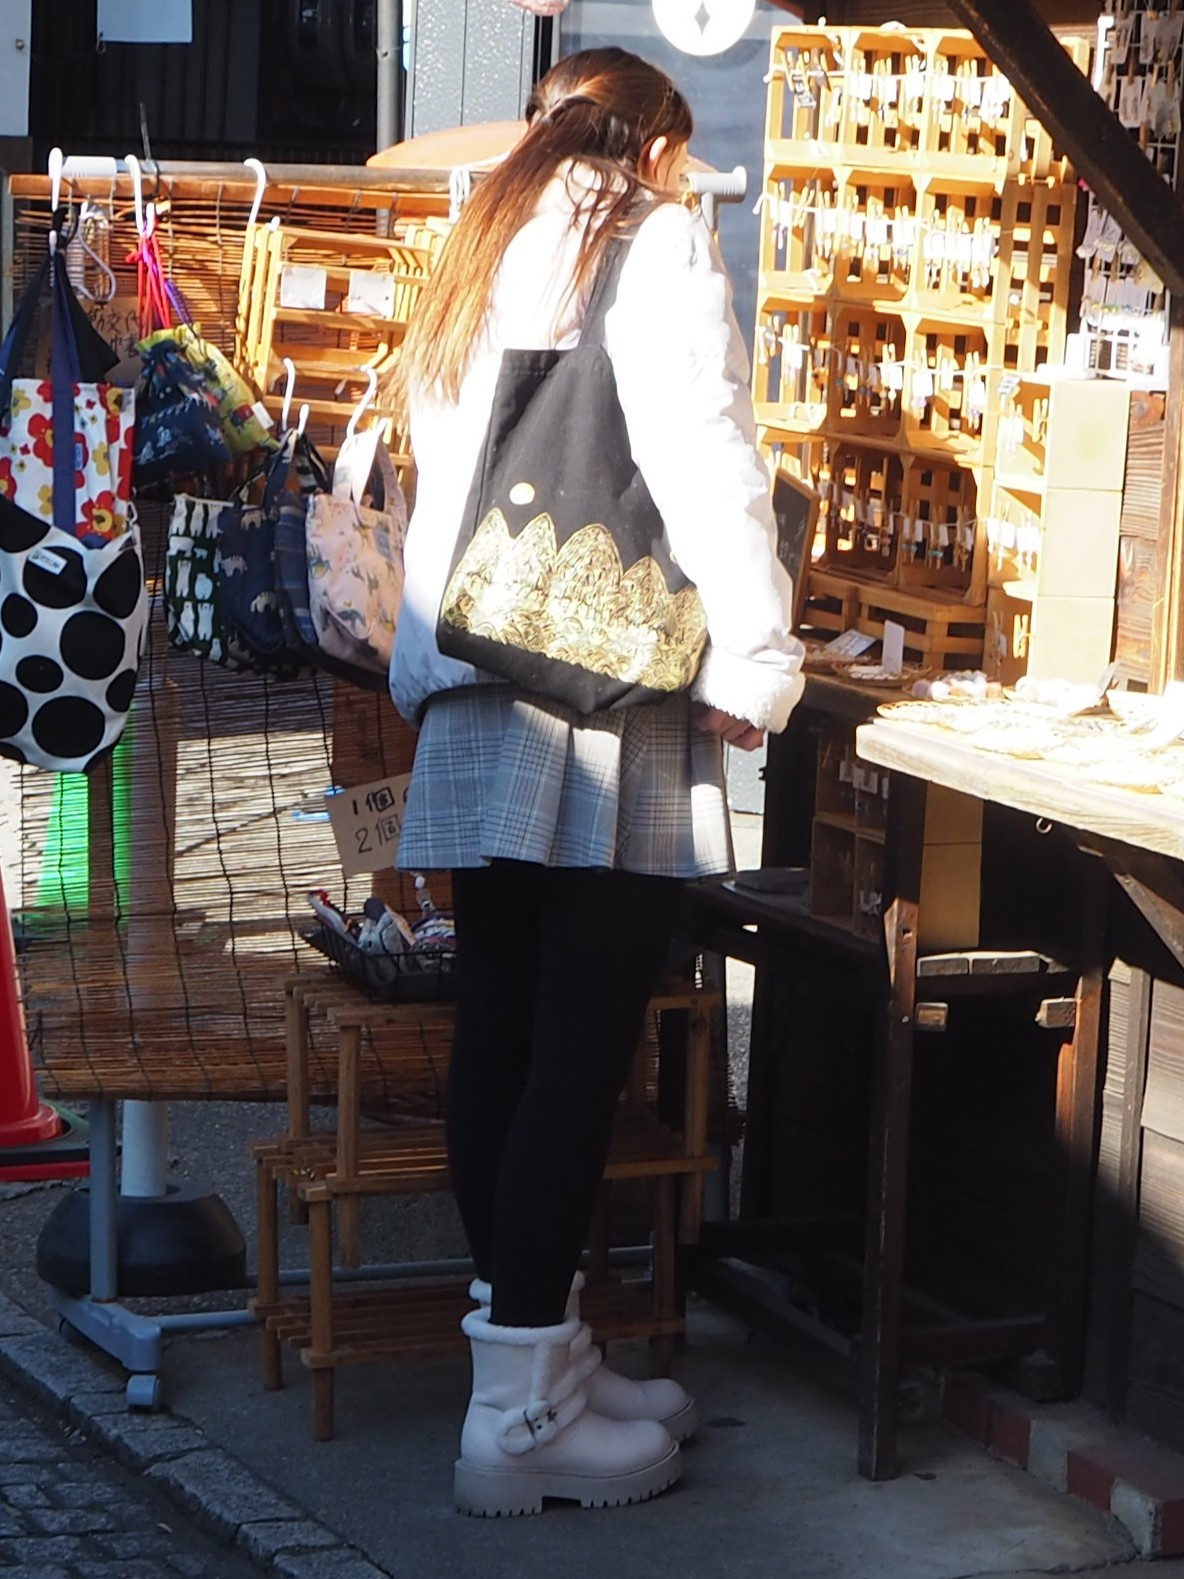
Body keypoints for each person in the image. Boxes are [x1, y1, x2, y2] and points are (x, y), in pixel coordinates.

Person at [390, 46, 805, 1517]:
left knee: (502, 1034)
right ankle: (516, 1424)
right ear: (663, 146)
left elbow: (435, 472)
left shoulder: (482, 231)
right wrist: (760, 654)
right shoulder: (656, 235)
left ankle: (541, 1355)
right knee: (579, 1051)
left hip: (479, 668)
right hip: (606, 685)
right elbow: (706, 457)